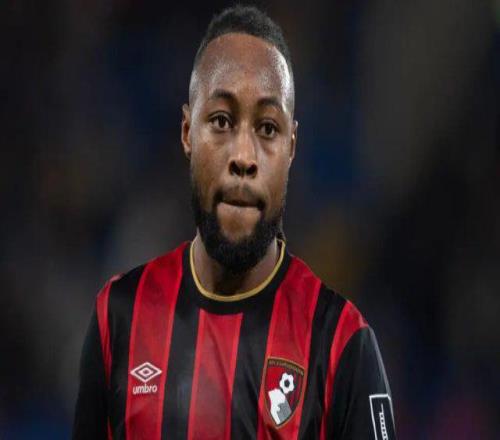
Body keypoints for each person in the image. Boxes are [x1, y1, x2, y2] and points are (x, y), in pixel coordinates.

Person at [73, 5, 395, 439]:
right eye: (221, 121)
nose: (244, 156)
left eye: (268, 128)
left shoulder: (341, 341)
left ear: (292, 147)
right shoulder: (119, 317)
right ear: (187, 132)